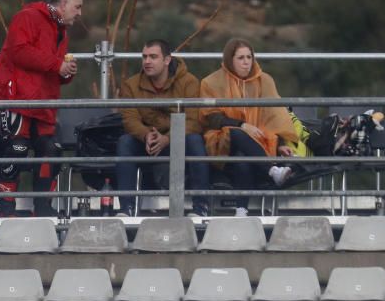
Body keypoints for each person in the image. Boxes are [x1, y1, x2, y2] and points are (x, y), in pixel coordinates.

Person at [0, 0, 83, 217]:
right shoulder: (27, 17)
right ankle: (5, 210)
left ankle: (43, 209)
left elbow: (52, 71)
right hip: (18, 98)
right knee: (16, 150)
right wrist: (56, 65)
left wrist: (66, 73)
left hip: (45, 103)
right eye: (78, 7)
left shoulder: (62, 32)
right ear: (63, 4)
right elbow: (19, 52)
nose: (80, 13)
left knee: (51, 151)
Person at [199, 38, 297, 216]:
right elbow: (211, 118)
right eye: (240, 58)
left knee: (242, 159)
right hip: (223, 141)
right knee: (237, 134)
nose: (246, 63)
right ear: (230, 60)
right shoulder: (211, 82)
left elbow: (274, 114)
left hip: (257, 141)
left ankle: (241, 210)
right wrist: (243, 125)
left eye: (249, 57)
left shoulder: (264, 80)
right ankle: (272, 170)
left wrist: (281, 142)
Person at [116, 39, 209, 217]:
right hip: (147, 142)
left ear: (167, 60)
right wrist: (146, 136)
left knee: (195, 141)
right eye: (144, 57)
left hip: (177, 141)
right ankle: (126, 209)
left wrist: (168, 139)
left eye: (153, 57)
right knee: (125, 142)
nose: (147, 62)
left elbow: (194, 120)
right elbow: (129, 118)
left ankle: (201, 208)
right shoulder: (131, 85)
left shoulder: (189, 82)